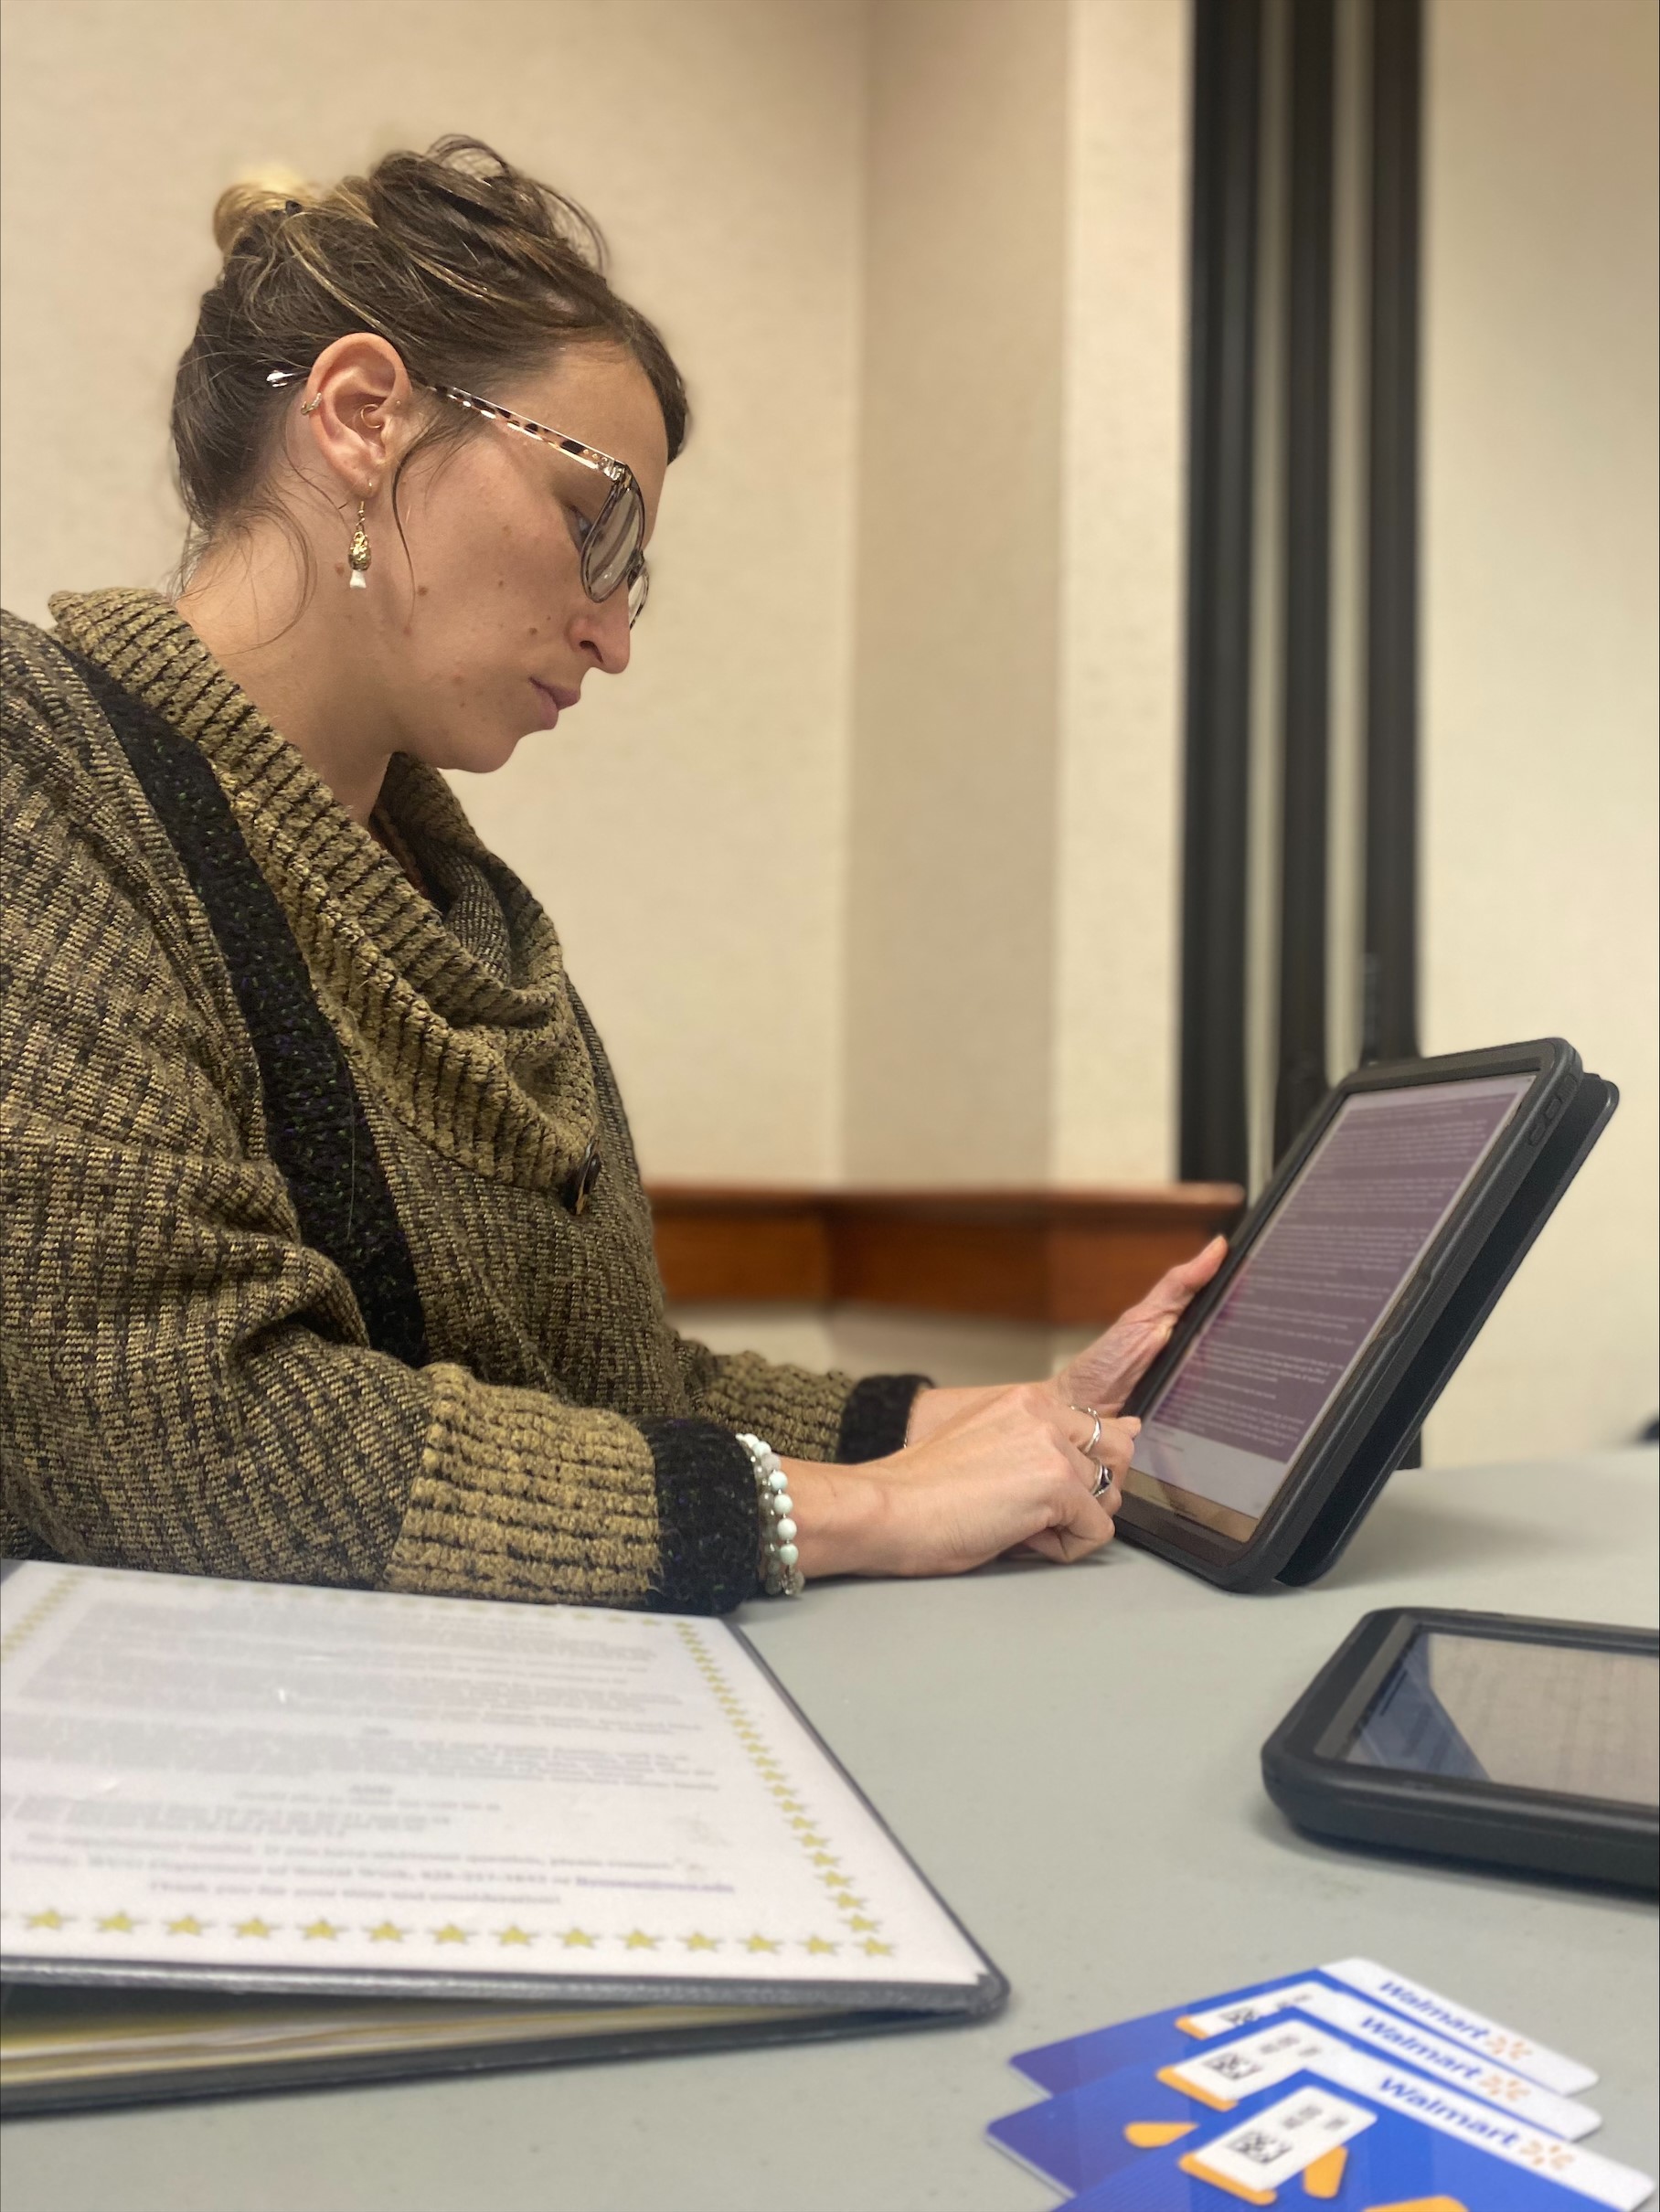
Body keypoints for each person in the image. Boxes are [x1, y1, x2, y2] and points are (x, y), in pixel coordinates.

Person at [0, 137, 1223, 1613]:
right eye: (596, 528)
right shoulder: (43, 772)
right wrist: (854, 1513)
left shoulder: (477, 926)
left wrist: (982, 1422)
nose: (612, 634)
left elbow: (615, 1387)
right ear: (361, 415)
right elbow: (168, 1423)